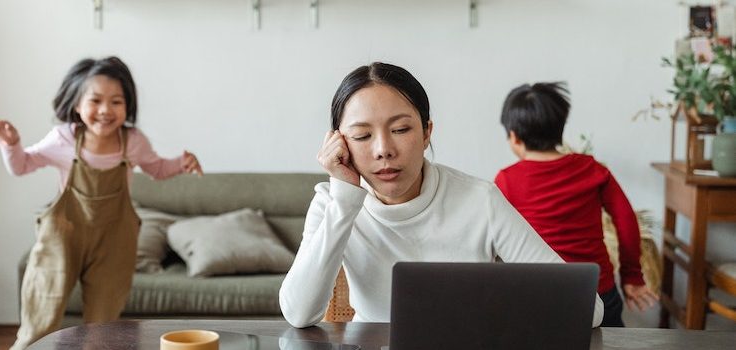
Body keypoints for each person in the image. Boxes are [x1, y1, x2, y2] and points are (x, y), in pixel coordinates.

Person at [278, 63, 604, 329]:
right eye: (362, 135)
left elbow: (588, 309)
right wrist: (346, 200)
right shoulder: (332, 202)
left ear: (426, 133)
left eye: (401, 129)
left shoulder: (480, 200)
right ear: (340, 144)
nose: (383, 150)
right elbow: (298, 313)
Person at [0, 56, 203, 349]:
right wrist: (10, 144)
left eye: (116, 101)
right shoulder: (63, 138)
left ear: (128, 106)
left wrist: (181, 163)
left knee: (102, 329)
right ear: (76, 104)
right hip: (62, 238)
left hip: (113, 242)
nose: (105, 110)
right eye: (95, 100)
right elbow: (22, 165)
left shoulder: (134, 142)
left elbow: (157, 169)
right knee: (40, 319)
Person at [494, 82, 658, 327]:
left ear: (514, 137)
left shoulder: (506, 180)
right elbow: (626, 220)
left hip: (540, 296)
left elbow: (496, 238)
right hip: (598, 293)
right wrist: (632, 275)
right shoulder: (593, 169)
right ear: (560, 129)